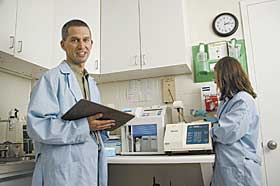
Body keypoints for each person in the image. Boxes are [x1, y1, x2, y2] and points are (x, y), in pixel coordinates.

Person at [27, 19, 115, 186]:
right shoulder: (51, 79)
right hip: (63, 167)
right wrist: (85, 126)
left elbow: (92, 125)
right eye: (75, 40)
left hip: (89, 163)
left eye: (86, 40)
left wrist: (105, 124)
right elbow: (37, 126)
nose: (82, 45)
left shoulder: (91, 83)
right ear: (63, 44)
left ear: (91, 43)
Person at [210, 56, 262, 186]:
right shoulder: (228, 100)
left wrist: (209, 132)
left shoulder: (242, 100)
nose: (215, 82)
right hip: (229, 163)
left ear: (226, 77)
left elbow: (228, 132)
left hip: (238, 165)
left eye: (216, 78)